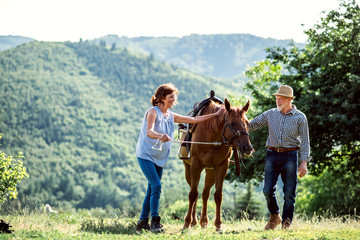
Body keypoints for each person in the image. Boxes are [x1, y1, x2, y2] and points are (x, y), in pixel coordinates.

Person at [135, 83, 221, 233]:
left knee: (151, 189)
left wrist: (215, 115)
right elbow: (149, 131)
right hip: (146, 155)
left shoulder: (170, 115)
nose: (174, 99)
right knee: (156, 186)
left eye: (174, 96)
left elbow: (193, 120)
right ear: (161, 98)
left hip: (159, 157)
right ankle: (155, 222)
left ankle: (142, 221)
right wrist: (160, 135)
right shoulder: (153, 112)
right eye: (171, 97)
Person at [248, 85, 311, 230]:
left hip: (290, 156)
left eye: (281, 99)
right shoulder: (270, 114)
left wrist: (304, 162)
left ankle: (286, 224)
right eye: (277, 99)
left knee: (289, 193)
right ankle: (275, 216)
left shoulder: (300, 117)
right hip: (272, 154)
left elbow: (305, 141)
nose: (278, 101)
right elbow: (251, 125)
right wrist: (235, 120)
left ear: (289, 99)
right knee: (267, 190)